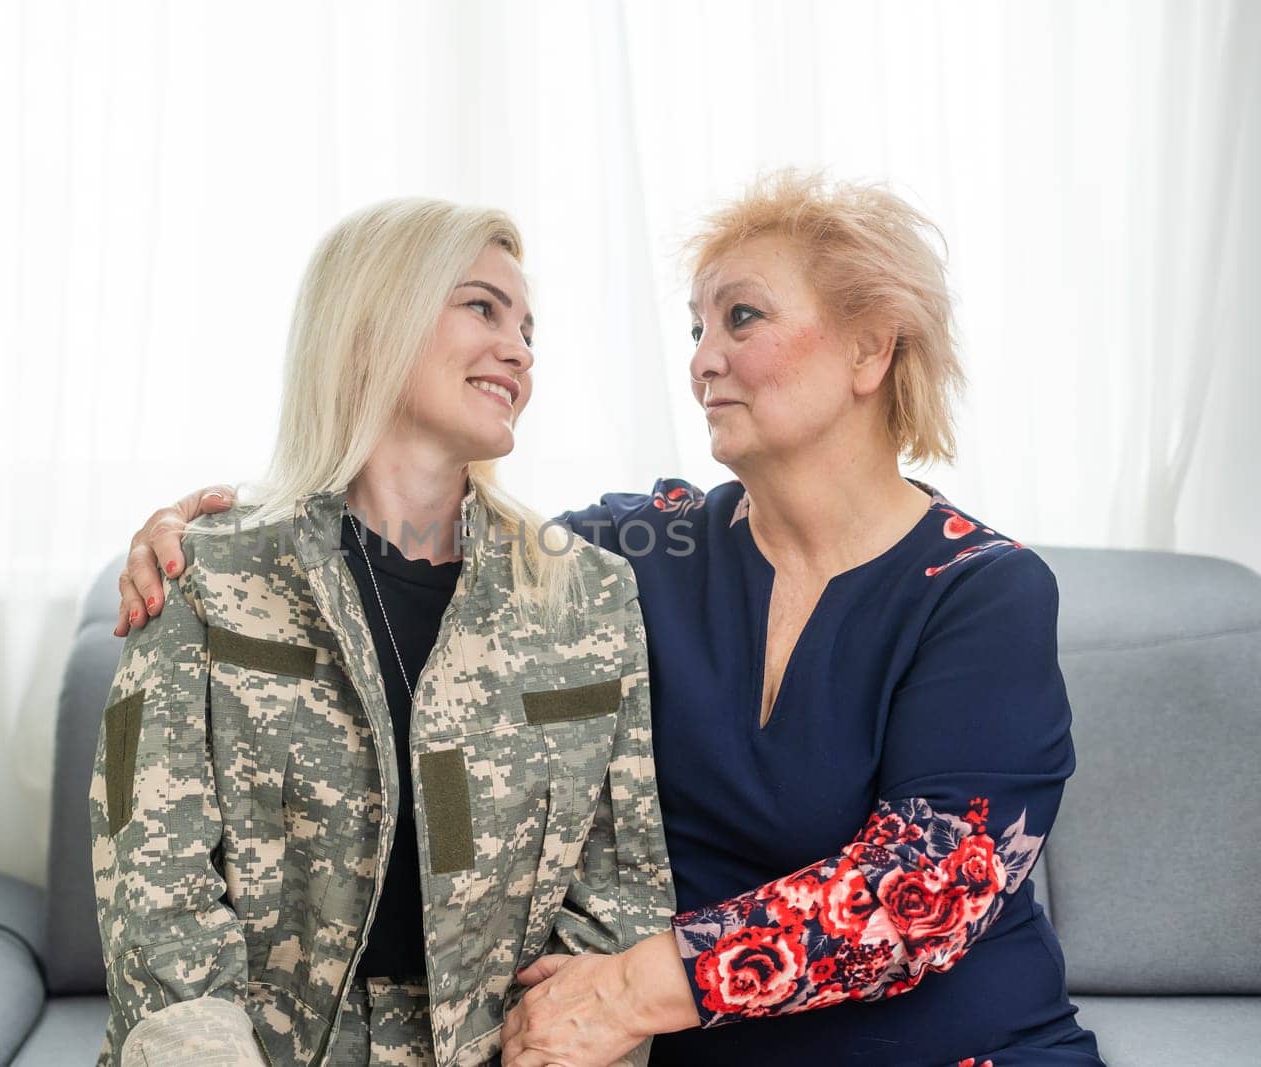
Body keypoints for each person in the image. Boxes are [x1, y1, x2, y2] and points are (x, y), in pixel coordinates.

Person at [114, 172, 1105, 1066]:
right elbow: (418, 533)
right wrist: (213, 526)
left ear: (866, 348)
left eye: (741, 318)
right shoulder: (634, 555)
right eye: (694, 329)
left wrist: (631, 987)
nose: (702, 359)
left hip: (963, 1049)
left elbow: (926, 885)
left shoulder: (981, 588)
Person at [90, 198, 674, 1067]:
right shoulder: (208, 573)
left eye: (528, 328)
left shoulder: (585, 591)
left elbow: (620, 885)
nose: (518, 348)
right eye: (482, 307)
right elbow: (153, 887)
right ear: (372, 323)